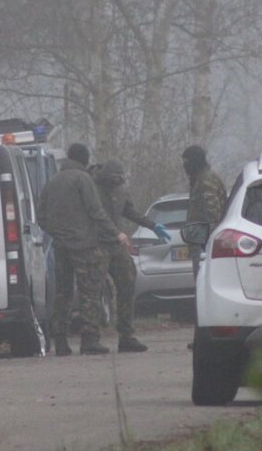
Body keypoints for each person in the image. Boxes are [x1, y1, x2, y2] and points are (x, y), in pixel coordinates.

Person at [39, 142, 127, 355]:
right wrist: (116, 232)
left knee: (63, 292)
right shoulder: (83, 178)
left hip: (60, 246)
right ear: (84, 159)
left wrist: (57, 233)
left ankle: (60, 340)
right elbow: (95, 210)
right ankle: (89, 339)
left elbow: (41, 217)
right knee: (90, 291)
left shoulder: (52, 181)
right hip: (84, 245)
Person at [92, 160, 171, 353]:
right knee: (93, 289)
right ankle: (91, 337)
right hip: (96, 243)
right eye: (115, 177)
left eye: (121, 178)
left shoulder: (121, 190)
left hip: (116, 244)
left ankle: (126, 335)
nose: (118, 181)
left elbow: (129, 211)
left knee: (128, 280)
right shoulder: (91, 188)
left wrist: (152, 225)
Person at [182, 144, 228, 277]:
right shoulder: (199, 179)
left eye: (186, 162)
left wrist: (209, 242)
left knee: (203, 279)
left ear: (194, 161)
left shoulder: (206, 180)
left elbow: (213, 213)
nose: (184, 166)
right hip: (200, 238)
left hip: (206, 241)